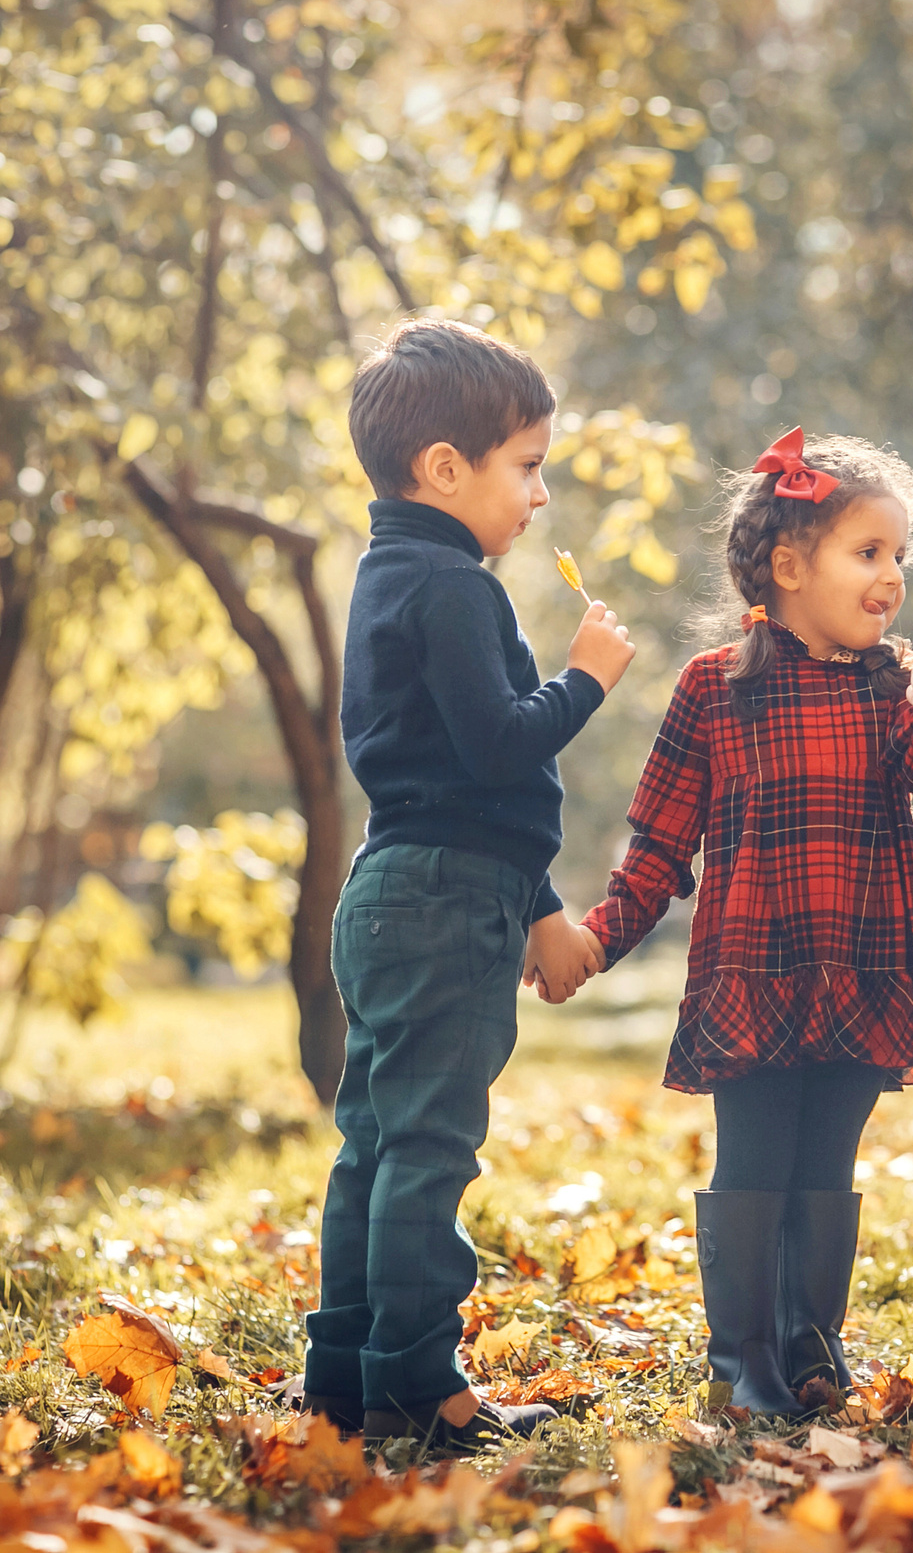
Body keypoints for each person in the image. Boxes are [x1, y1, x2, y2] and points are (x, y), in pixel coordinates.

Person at [563, 429, 913, 1416]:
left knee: (827, 1157)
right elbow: (660, 845)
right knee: (756, 1156)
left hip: (866, 963)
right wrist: (598, 936)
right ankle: (742, 1357)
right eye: (868, 551)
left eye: (899, 554)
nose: (892, 575)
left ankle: (809, 1341)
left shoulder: (889, 681)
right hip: (755, 969)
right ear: (790, 567)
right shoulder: (716, 686)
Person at [303, 316, 638, 1449]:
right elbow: (499, 751)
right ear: (445, 468)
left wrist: (537, 908)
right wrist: (583, 681)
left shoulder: (386, 575)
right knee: (429, 1147)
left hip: (395, 884)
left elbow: (454, 785)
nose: (539, 496)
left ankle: (343, 1374)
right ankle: (415, 1387)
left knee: (374, 1142)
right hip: (447, 904)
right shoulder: (454, 586)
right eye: (527, 467)